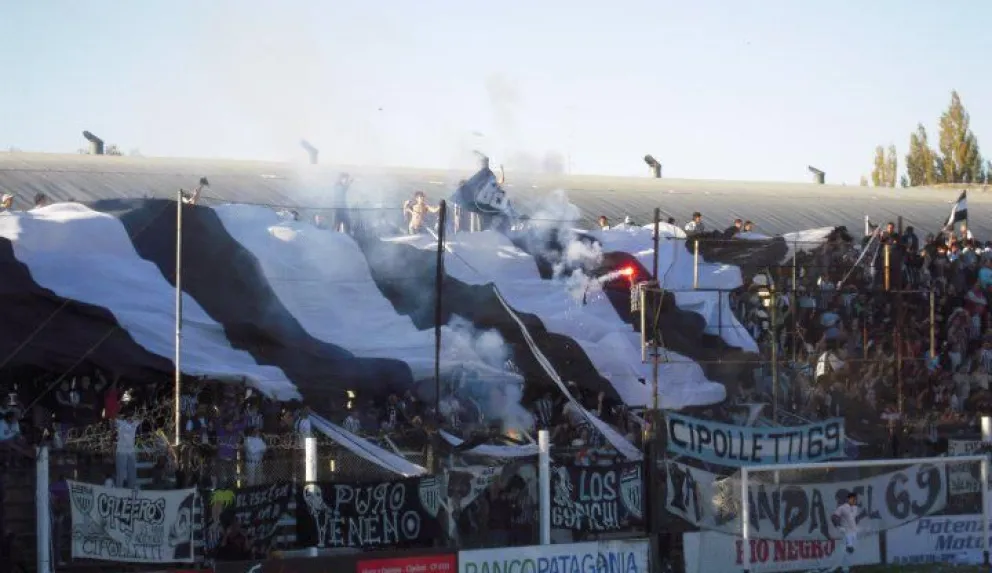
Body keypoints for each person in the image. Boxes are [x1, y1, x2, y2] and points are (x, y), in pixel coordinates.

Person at [831, 492, 860, 572]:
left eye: (855, 499)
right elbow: (833, 517)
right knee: (848, 549)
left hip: (854, 532)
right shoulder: (842, 508)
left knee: (851, 551)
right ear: (848, 499)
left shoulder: (855, 508)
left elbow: (855, 518)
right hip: (846, 532)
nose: (854, 500)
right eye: (853, 499)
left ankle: (846, 568)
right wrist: (838, 527)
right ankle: (844, 569)